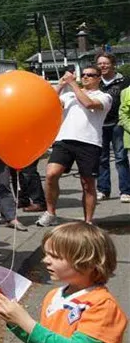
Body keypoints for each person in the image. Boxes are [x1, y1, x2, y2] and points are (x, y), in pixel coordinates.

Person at [40, 68, 112, 227]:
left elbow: (88, 103)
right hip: (64, 139)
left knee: (87, 183)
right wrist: (61, 85)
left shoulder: (104, 96)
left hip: (89, 142)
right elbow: (49, 102)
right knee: (51, 174)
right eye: (84, 75)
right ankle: (50, 213)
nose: (86, 77)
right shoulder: (69, 95)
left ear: (98, 78)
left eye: (90, 75)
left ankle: (88, 221)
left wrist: (72, 84)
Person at [94, 53, 128, 203]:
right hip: (99, 124)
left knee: (121, 158)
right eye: (100, 63)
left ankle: (125, 191)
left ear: (113, 64)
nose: (103, 66)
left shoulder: (124, 81)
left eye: (106, 63)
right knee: (102, 158)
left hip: (117, 123)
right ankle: (103, 190)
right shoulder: (95, 80)